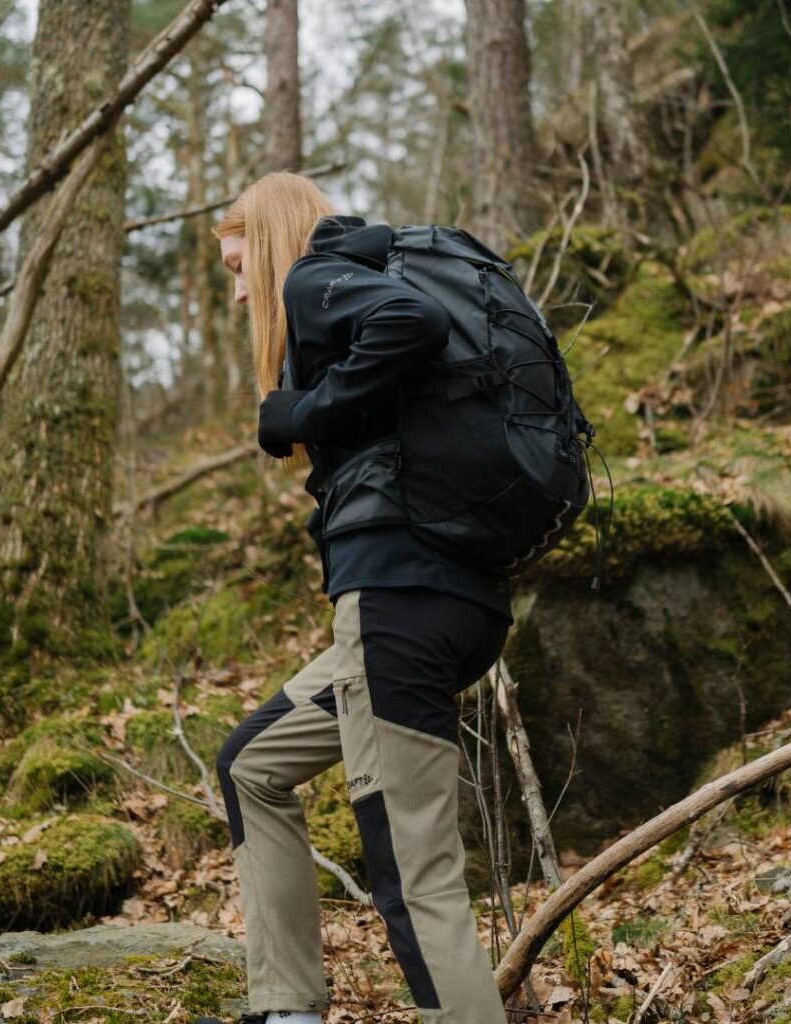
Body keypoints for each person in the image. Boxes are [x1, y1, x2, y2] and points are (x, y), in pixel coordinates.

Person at [198, 171, 514, 1024]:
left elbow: (414, 324)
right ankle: (288, 1006)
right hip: (454, 599)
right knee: (252, 765)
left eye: (237, 268)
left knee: (413, 873)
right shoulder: (364, 277)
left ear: (269, 244)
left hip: (396, 603)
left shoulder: (311, 277)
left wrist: (304, 413)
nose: (239, 293)